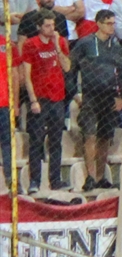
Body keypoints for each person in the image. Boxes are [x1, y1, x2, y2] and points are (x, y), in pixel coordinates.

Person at [72, 14, 122, 189]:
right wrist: (75, 93)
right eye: (108, 23)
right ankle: (90, 177)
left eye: (113, 24)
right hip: (90, 95)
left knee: (105, 137)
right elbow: (71, 68)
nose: (112, 27)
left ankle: (101, 177)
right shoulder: (85, 43)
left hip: (109, 95)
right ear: (99, 24)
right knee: (89, 135)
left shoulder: (116, 47)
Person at [18, 14, 69, 194]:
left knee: (56, 140)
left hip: (57, 97)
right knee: (37, 140)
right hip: (40, 97)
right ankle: (35, 180)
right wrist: (33, 100)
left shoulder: (59, 42)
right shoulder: (31, 44)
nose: (51, 29)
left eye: (53, 25)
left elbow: (67, 67)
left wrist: (57, 47)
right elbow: (27, 75)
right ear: (39, 27)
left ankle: (55, 179)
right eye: (47, 25)